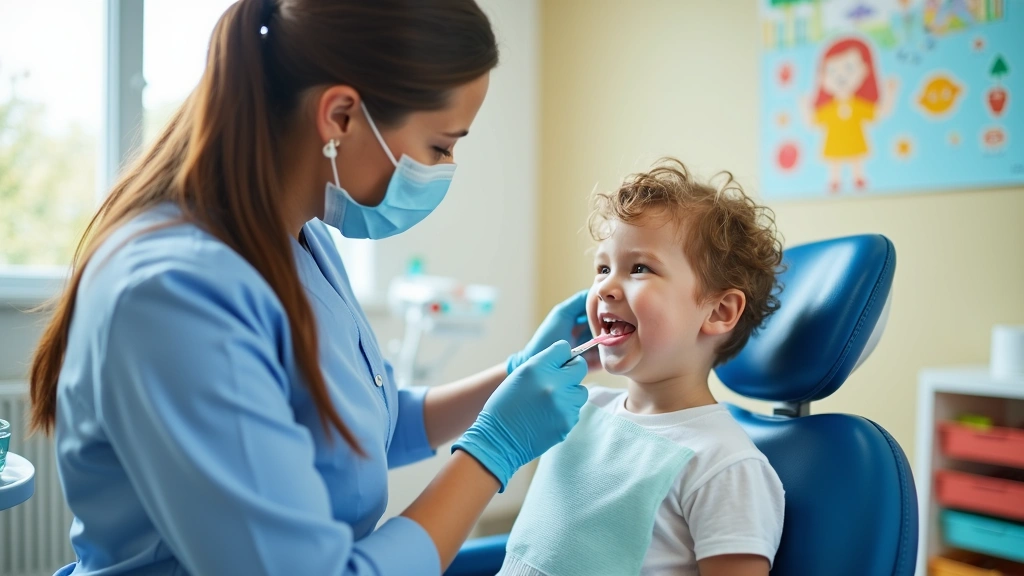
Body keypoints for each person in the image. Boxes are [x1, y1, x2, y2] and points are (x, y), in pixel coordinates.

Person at [28, 1, 592, 574]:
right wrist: (492, 451)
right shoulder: (173, 295)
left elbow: (357, 426)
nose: (447, 167)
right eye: (441, 146)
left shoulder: (303, 238)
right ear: (341, 116)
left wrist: (515, 373)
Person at [497, 159, 786, 576]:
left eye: (639, 268)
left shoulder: (725, 466)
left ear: (720, 310)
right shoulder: (580, 409)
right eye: (602, 268)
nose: (604, 288)